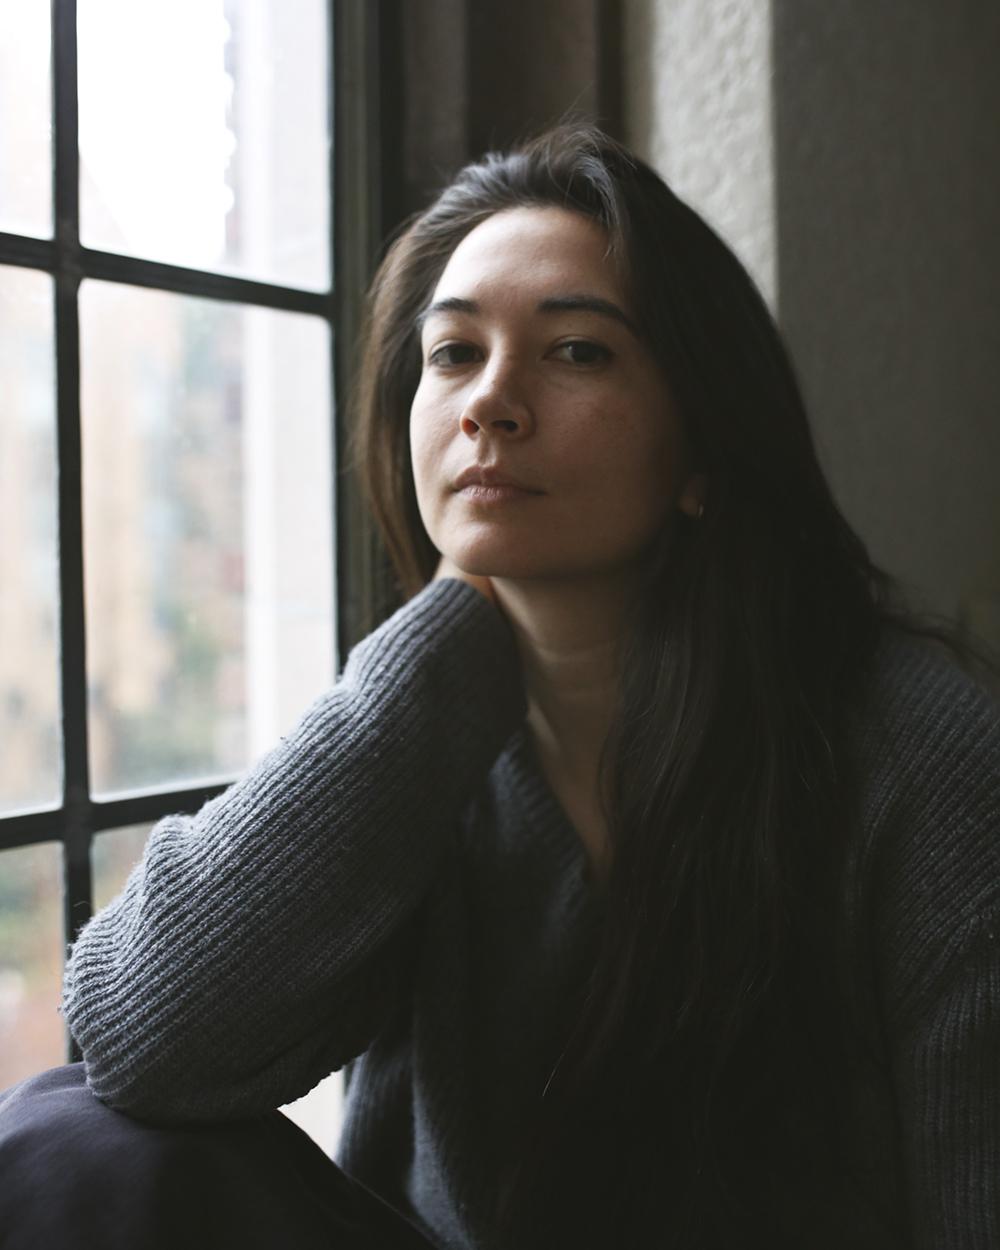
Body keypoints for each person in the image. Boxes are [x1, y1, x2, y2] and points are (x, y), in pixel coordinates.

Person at [1, 122, 998, 1250]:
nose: (490, 401)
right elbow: (141, 1040)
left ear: (704, 449)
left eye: (577, 351)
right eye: (451, 353)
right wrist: (427, 667)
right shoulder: (416, 735)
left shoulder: (922, 758)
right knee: (62, 1137)